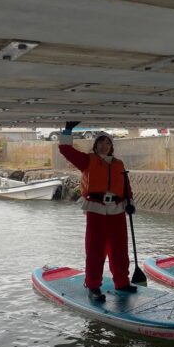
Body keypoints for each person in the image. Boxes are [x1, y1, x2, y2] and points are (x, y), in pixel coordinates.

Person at [58, 121, 137, 302]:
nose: (104, 145)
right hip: (96, 210)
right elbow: (66, 150)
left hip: (117, 210)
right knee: (95, 250)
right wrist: (68, 131)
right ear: (95, 146)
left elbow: (126, 186)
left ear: (112, 147)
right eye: (100, 142)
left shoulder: (119, 164)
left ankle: (122, 282)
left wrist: (129, 202)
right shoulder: (87, 161)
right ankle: (93, 286)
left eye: (107, 143)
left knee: (120, 249)